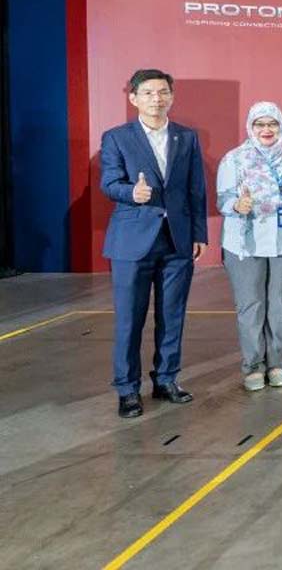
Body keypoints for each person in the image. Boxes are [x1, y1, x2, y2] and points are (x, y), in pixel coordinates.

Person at [100, 68, 207, 418]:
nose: (156, 99)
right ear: (133, 98)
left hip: (177, 240)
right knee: (129, 320)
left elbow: (196, 189)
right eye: (147, 93)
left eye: (162, 92)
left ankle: (166, 379)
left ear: (171, 97)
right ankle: (127, 390)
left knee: (172, 315)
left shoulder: (186, 137)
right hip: (132, 242)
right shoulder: (117, 137)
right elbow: (109, 183)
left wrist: (199, 234)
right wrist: (132, 193)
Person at [217, 102, 282, 391]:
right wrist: (238, 205)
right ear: (251, 127)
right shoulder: (234, 159)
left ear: (281, 126)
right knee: (251, 306)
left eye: (272, 124)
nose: (266, 130)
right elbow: (222, 200)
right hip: (245, 244)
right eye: (260, 124)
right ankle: (253, 366)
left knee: (280, 306)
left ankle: (277, 363)